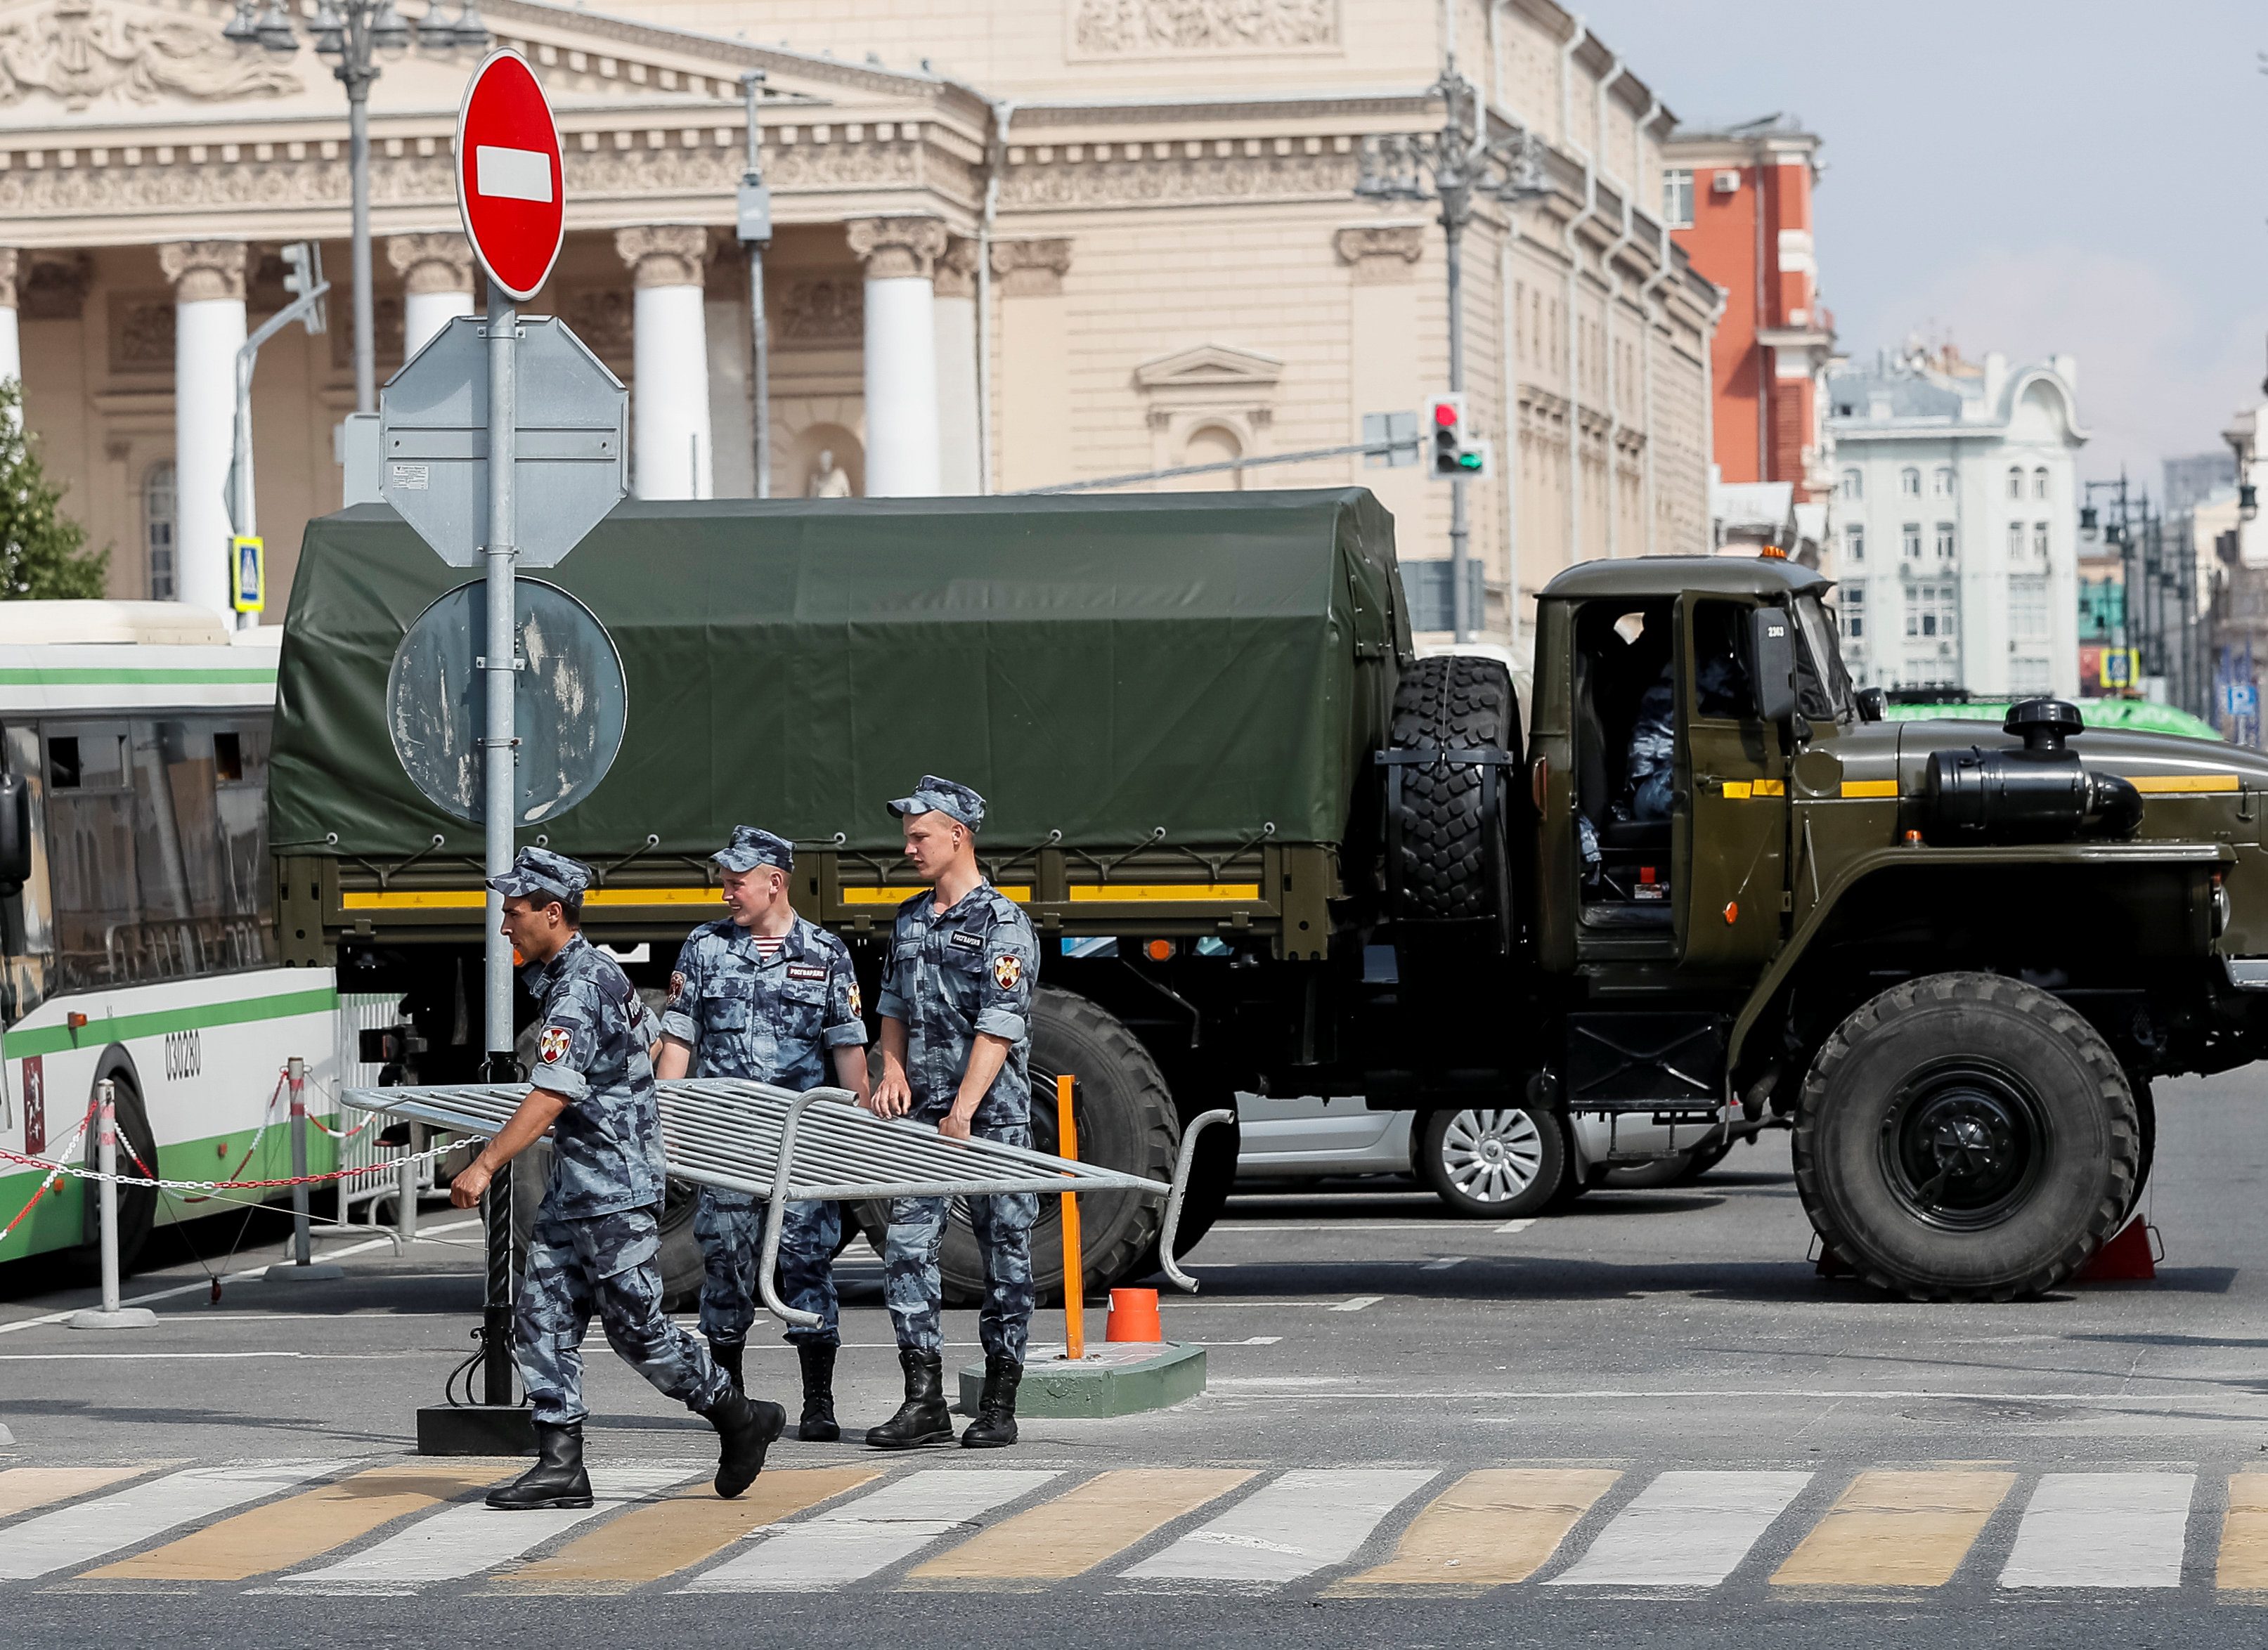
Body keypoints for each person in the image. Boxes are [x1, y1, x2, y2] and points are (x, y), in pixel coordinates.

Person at [450, 847, 784, 1512]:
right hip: (579, 1186)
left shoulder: (581, 985)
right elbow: (650, 1048)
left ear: (552, 913)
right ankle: (559, 1464)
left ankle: (739, 1418)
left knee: (637, 1331)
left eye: (513, 913)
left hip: (613, 1193)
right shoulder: (580, 974)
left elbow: (551, 1093)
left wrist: (487, 1163)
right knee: (540, 1319)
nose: (504, 926)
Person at [656, 826, 870, 1442]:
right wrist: (666, 1120)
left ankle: (819, 1403)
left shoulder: (824, 952)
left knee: (807, 1264)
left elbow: (847, 1046)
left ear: (774, 881)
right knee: (723, 1266)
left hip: (798, 1142)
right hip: (727, 1141)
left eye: (736, 882)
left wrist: (854, 1130)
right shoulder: (704, 948)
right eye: (723, 882)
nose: (726, 892)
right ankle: (732, 1403)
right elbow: (678, 1038)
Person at [865, 776, 1039, 1450]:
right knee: (906, 1248)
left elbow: (999, 1026)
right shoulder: (910, 918)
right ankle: (924, 1400)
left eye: (919, 836)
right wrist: (893, 1069)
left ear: (958, 835)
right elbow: (892, 1006)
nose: (908, 848)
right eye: (906, 837)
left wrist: (963, 1110)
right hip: (921, 1118)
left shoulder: (1001, 922)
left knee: (1006, 1254)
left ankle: (998, 1401)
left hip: (989, 1117)